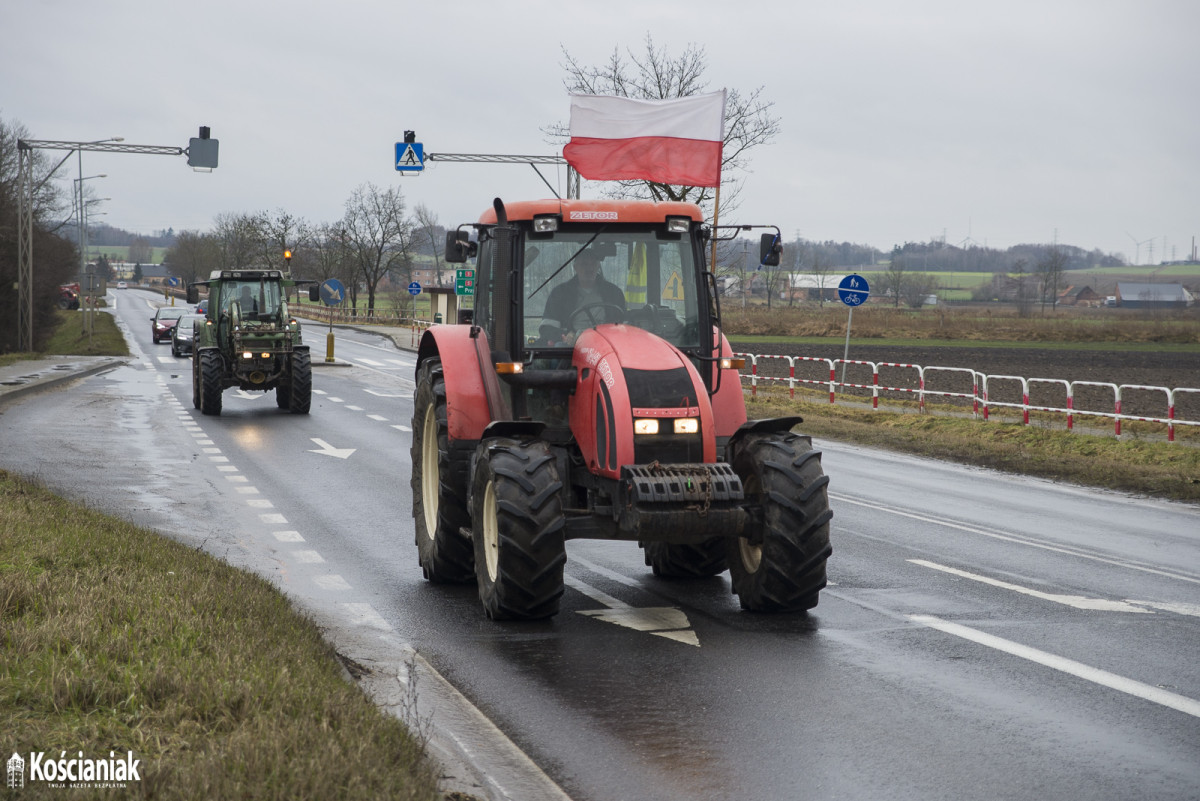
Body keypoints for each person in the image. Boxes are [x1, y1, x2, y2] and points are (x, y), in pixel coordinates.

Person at [539, 250, 626, 345]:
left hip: (605, 343)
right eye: (584, 264)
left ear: (598, 267)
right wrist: (565, 335)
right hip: (572, 347)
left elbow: (623, 323)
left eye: (593, 264)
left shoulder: (614, 293)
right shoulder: (560, 293)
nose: (589, 268)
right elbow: (547, 327)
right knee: (559, 346)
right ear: (575, 267)